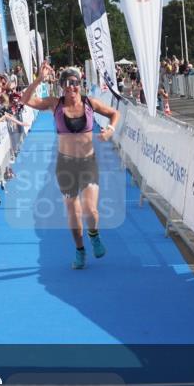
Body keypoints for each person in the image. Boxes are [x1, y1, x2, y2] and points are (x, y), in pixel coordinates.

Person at [20, 63, 120, 270]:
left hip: (88, 163)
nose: (71, 87)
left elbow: (114, 114)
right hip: (65, 165)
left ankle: (94, 236)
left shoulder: (90, 103)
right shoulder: (54, 104)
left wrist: (110, 129)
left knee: (91, 210)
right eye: (66, 84)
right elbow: (25, 100)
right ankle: (80, 250)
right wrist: (39, 79)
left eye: (74, 83)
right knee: (73, 212)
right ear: (61, 87)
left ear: (79, 84)